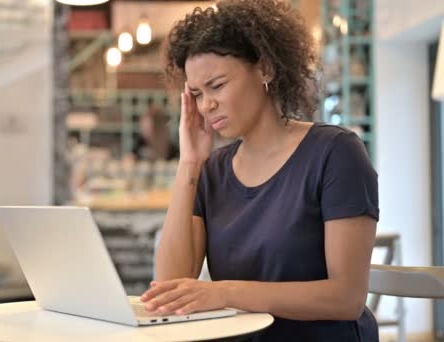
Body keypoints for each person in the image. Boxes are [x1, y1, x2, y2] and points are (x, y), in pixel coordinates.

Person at [139, 1, 379, 341]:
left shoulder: (335, 153)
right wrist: (189, 163)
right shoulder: (212, 172)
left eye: (217, 86)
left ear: (264, 69)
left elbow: (347, 298)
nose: (206, 105)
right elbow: (170, 287)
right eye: (196, 93)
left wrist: (223, 293)